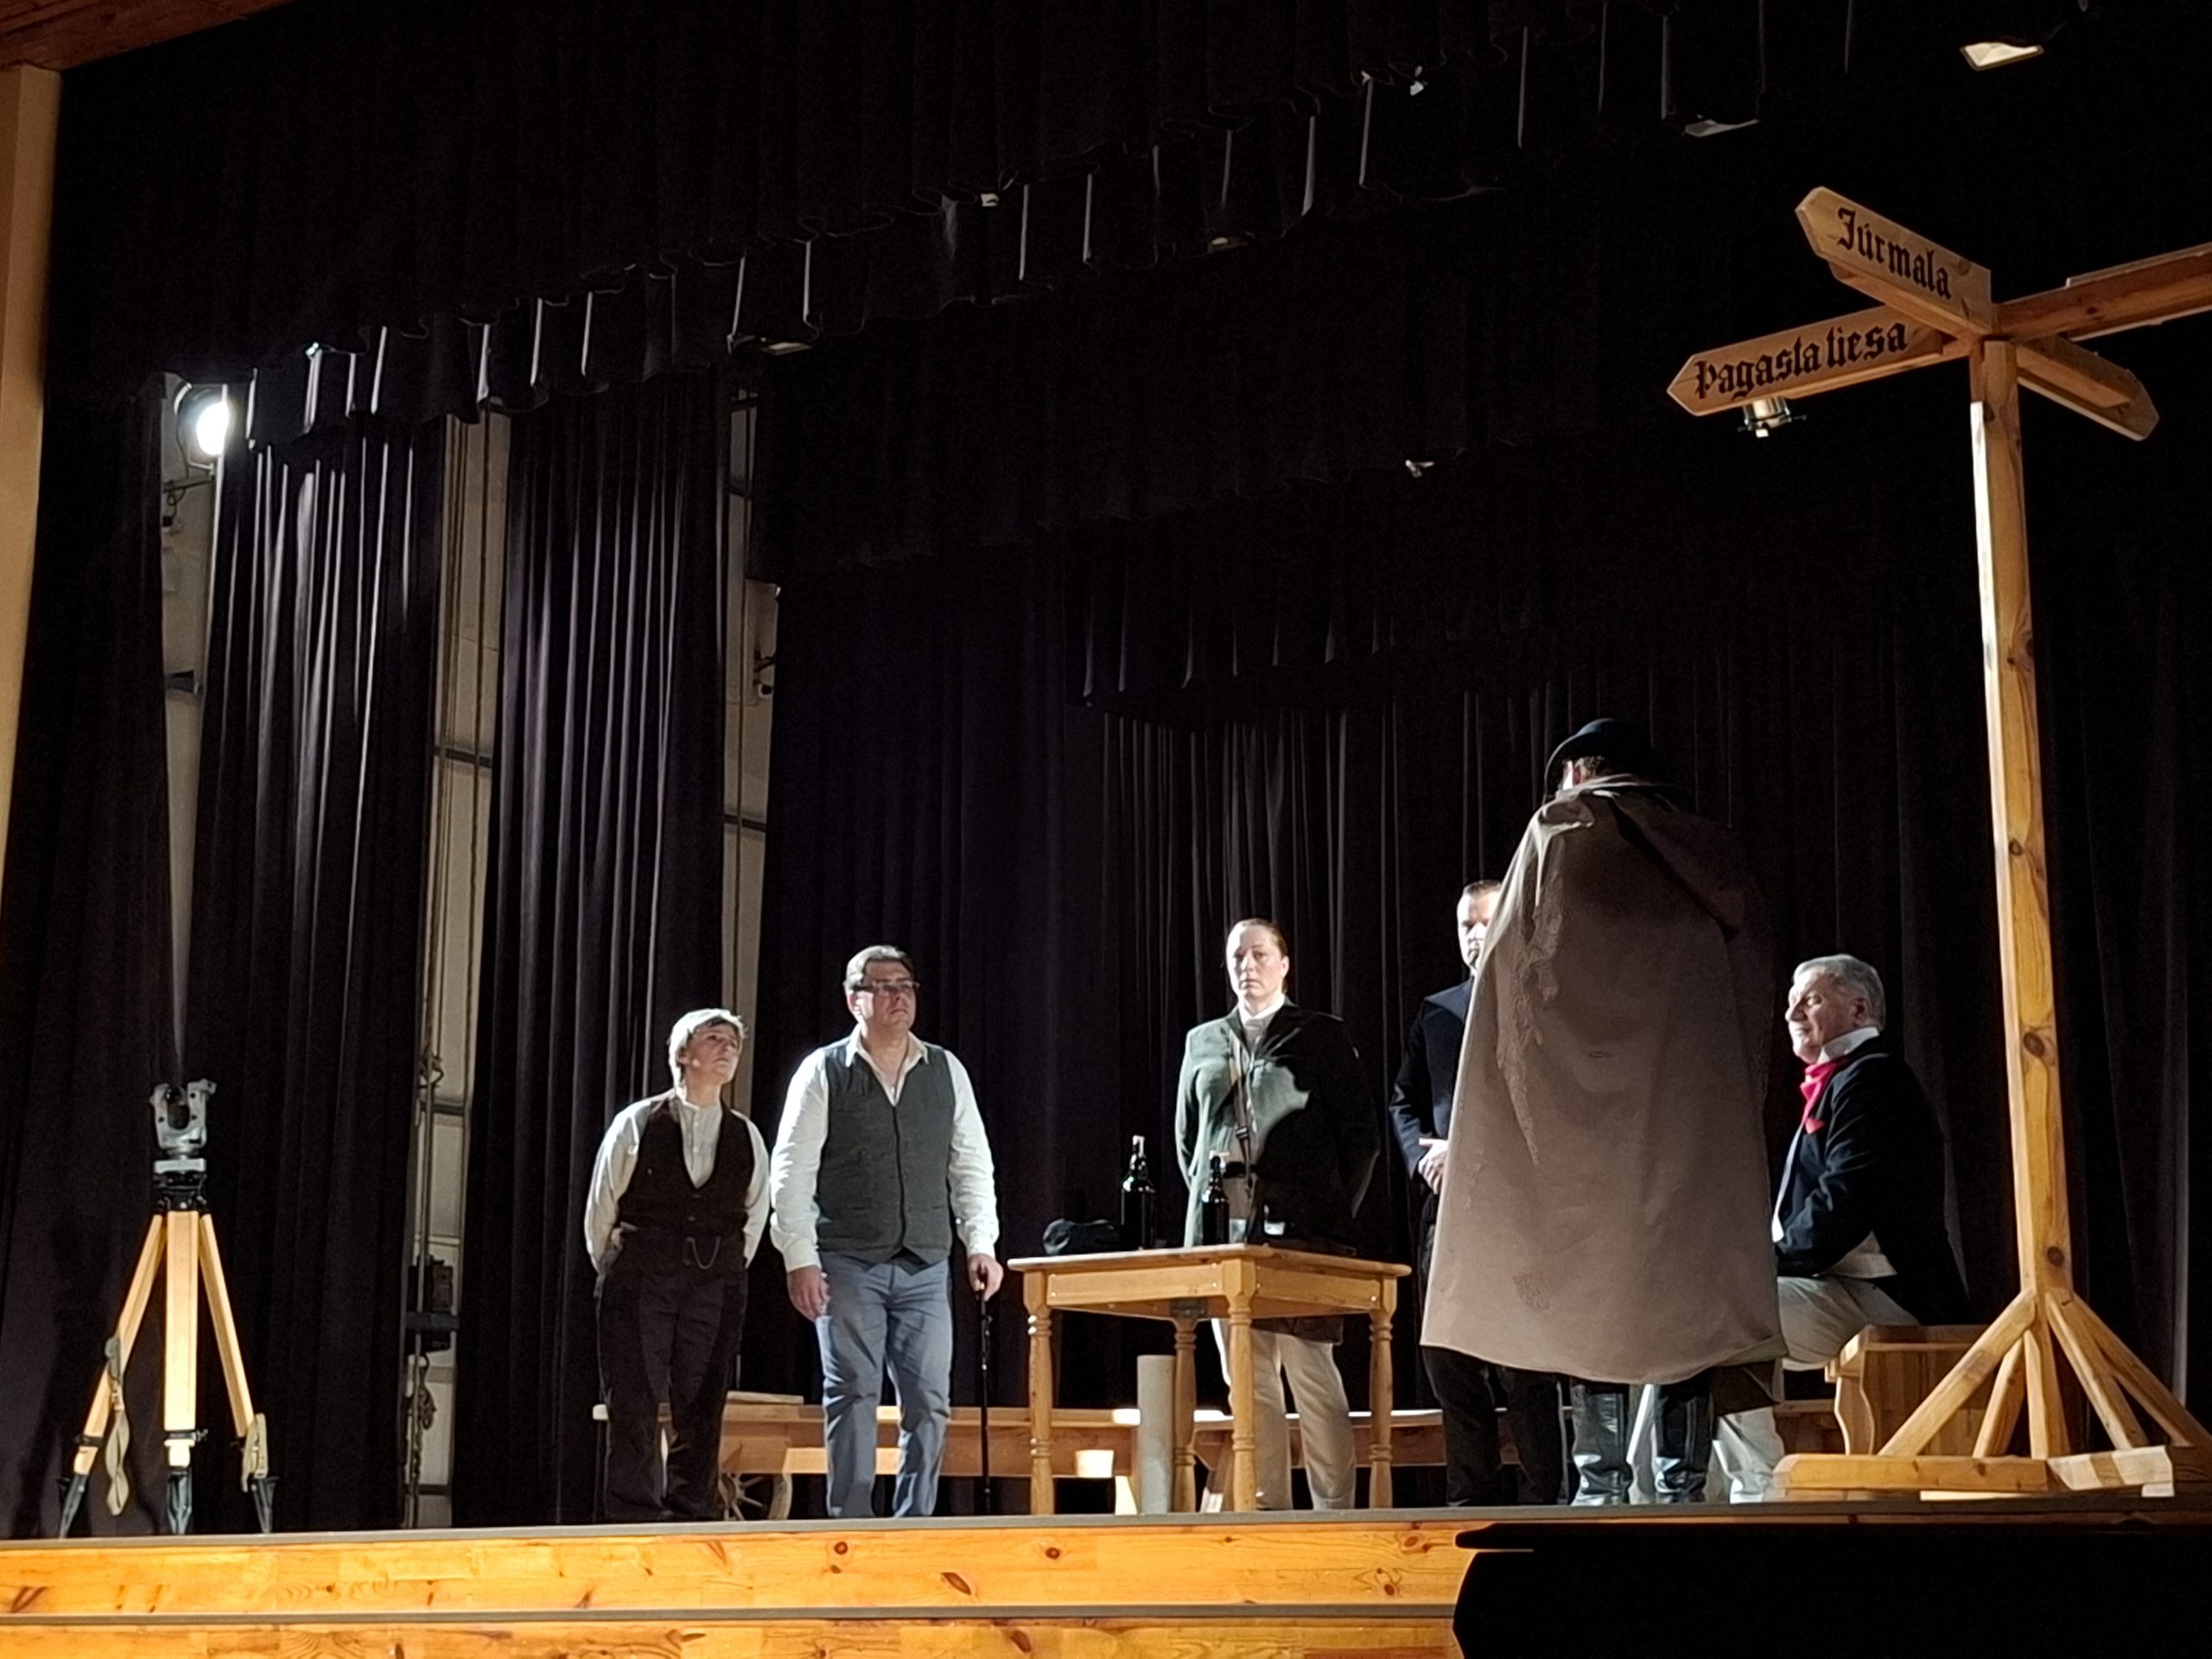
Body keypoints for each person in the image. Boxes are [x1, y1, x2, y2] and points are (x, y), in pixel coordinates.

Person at [1425, 716, 1781, 1504]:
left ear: (1581, 773)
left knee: (1595, 1290)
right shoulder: (1714, 852)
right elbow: (1753, 987)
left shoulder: (1565, 830)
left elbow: (1518, 969)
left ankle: (1600, 1487)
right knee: (1689, 1294)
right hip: (1695, 1114)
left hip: (1589, 1112)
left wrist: (1518, 1100)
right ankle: (1682, 1487)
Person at [1714, 954, 1969, 1500]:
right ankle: (1666, 1492)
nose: (1791, 1014)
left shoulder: (1874, 1077)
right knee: (1694, 1319)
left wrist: (1763, 1265)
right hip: (1843, 1290)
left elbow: (1845, 1203)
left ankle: (1757, 1495)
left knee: (1719, 1314)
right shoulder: (1847, 1080)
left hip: (1891, 1295)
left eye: (1809, 1000)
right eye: (1791, 1003)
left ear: (1858, 1009)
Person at [769, 946, 1002, 1519]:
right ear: (855, 1000)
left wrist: (980, 1243)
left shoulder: (945, 1070)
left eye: (906, 985)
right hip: (848, 1261)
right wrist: (799, 1257)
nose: (899, 996)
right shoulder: (824, 1071)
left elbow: (971, 1165)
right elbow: (792, 1171)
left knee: (930, 1400)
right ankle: (853, 1524)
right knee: (853, 1392)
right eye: (884, 986)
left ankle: (913, 1525)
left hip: (924, 1262)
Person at [1175, 918, 1381, 1510]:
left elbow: (1361, 1141)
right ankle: (1268, 1509)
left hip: (1304, 1234)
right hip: (1225, 1237)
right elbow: (1187, 1142)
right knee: (1248, 1379)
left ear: (1284, 965)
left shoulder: (1321, 1036)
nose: (1248, 966)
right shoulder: (1203, 1041)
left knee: (1311, 1373)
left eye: (1260, 954)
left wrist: (1327, 1209)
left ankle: (1334, 1512)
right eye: (1237, 956)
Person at [1389, 880, 1566, 1505]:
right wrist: (1422, 1158)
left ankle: (1545, 1497)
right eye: (1465, 925)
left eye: (1485, 922)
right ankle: (1470, 1498)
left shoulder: (1543, 1003)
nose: (1473, 935)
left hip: (1517, 1208)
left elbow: (1552, 1106)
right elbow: (1404, 1101)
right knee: (1448, 1356)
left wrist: (1469, 1153)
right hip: (1449, 1207)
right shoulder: (1438, 1011)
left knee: (1522, 1359)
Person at [585, 1007, 771, 1521]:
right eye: (714, 1039)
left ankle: (693, 1513)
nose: (728, 1048)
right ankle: (633, 1517)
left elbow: (755, 1215)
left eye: (733, 1042)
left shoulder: (746, 1135)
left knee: (704, 1401)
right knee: (633, 1399)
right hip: (640, 1277)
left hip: (714, 1283)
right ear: (684, 1054)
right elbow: (601, 1210)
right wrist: (621, 1268)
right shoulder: (638, 1122)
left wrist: (723, 1269)